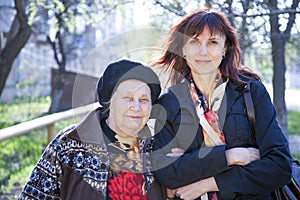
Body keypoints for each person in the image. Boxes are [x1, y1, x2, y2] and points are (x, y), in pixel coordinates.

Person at [150, 7, 292, 200]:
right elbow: (167, 173)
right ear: (183, 48)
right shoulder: (169, 103)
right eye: (194, 41)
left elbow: (279, 166)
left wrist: (207, 183)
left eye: (213, 42)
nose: (203, 51)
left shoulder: (250, 92)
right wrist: (231, 156)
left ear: (225, 48)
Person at [18, 59, 165, 199]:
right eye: (128, 98)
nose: (136, 107)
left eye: (144, 100)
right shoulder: (69, 145)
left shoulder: (158, 146)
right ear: (110, 102)